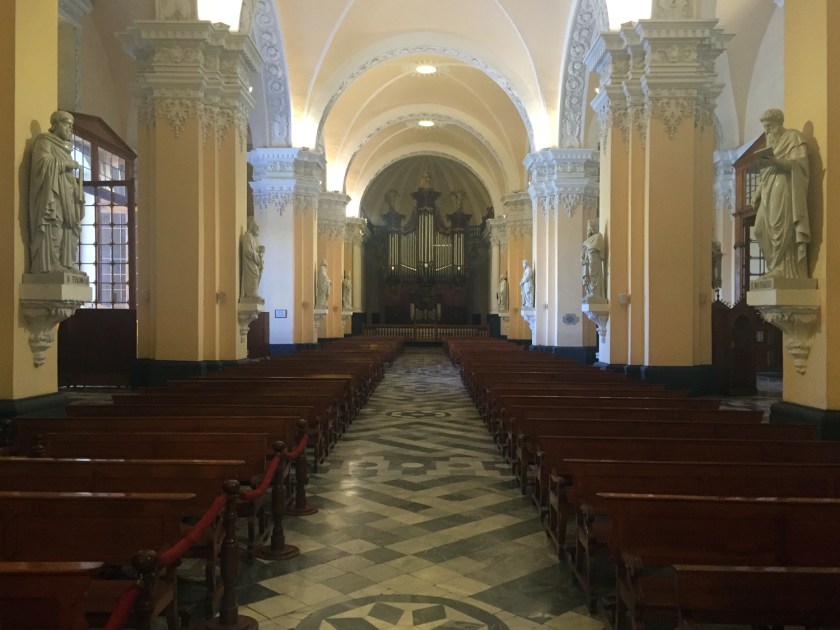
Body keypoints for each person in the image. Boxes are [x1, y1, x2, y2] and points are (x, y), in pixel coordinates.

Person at [752, 108, 811, 281]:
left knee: (780, 225)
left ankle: (784, 268)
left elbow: (799, 165)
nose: (767, 131)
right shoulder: (772, 144)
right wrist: (757, 194)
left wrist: (777, 162)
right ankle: (774, 266)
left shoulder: (794, 138)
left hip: (784, 185)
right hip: (768, 188)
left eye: (769, 126)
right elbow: (764, 173)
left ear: (779, 124)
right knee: (760, 229)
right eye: (765, 127)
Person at [28, 110, 85, 274]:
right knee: (54, 226)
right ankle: (51, 264)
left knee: (70, 227)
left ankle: (66, 263)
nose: (70, 129)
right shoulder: (44, 142)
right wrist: (64, 165)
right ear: (56, 124)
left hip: (67, 194)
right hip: (52, 194)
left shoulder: (65, 148)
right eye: (67, 124)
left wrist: (76, 189)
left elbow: (67, 176)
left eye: (72, 126)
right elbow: (42, 164)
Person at [240, 218, 265, 302]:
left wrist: (260, 250)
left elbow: (255, 250)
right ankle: (251, 294)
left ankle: (253, 293)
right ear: (251, 227)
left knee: (257, 273)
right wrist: (257, 258)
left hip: (254, 263)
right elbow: (247, 251)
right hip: (250, 264)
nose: (258, 229)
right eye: (256, 227)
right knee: (255, 273)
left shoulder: (254, 239)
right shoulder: (247, 237)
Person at [581, 220, 606, 300]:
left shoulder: (599, 236)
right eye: (589, 227)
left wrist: (588, 247)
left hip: (594, 260)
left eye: (592, 227)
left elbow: (596, 247)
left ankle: (595, 293)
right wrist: (582, 259)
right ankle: (589, 292)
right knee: (587, 277)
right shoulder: (588, 240)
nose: (591, 229)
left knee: (593, 275)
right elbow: (583, 253)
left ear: (596, 227)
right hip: (587, 261)